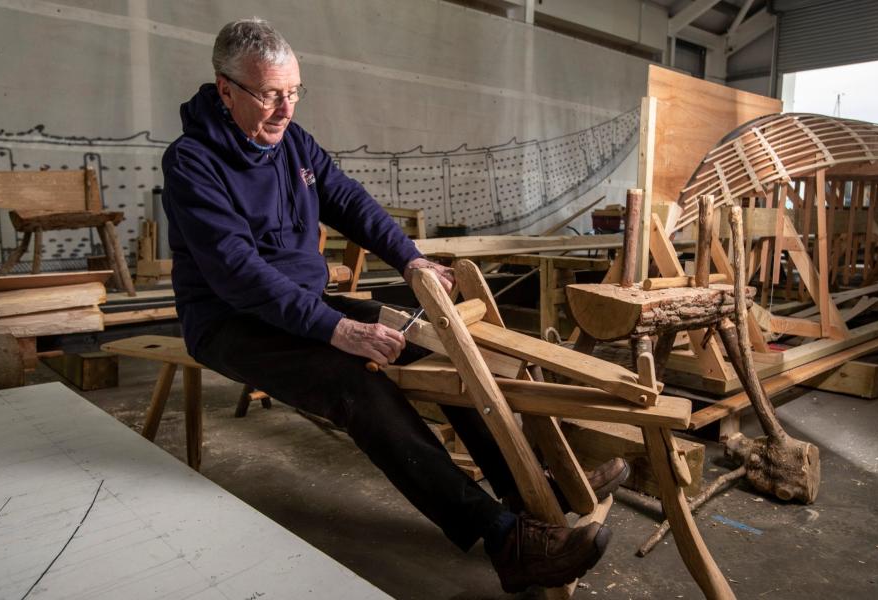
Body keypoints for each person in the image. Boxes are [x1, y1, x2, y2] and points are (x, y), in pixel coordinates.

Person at [162, 17, 628, 593]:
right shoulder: (191, 163)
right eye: (269, 95)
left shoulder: (292, 143)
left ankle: (534, 491)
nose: (285, 109)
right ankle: (507, 541)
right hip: (229, 321)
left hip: (304, 303)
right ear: (226, 88)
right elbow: (237, 275)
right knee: (361, 387)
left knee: (441, 351)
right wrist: (336, 328)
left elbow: (350, 201)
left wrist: (408, 259)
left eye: (294, 92)